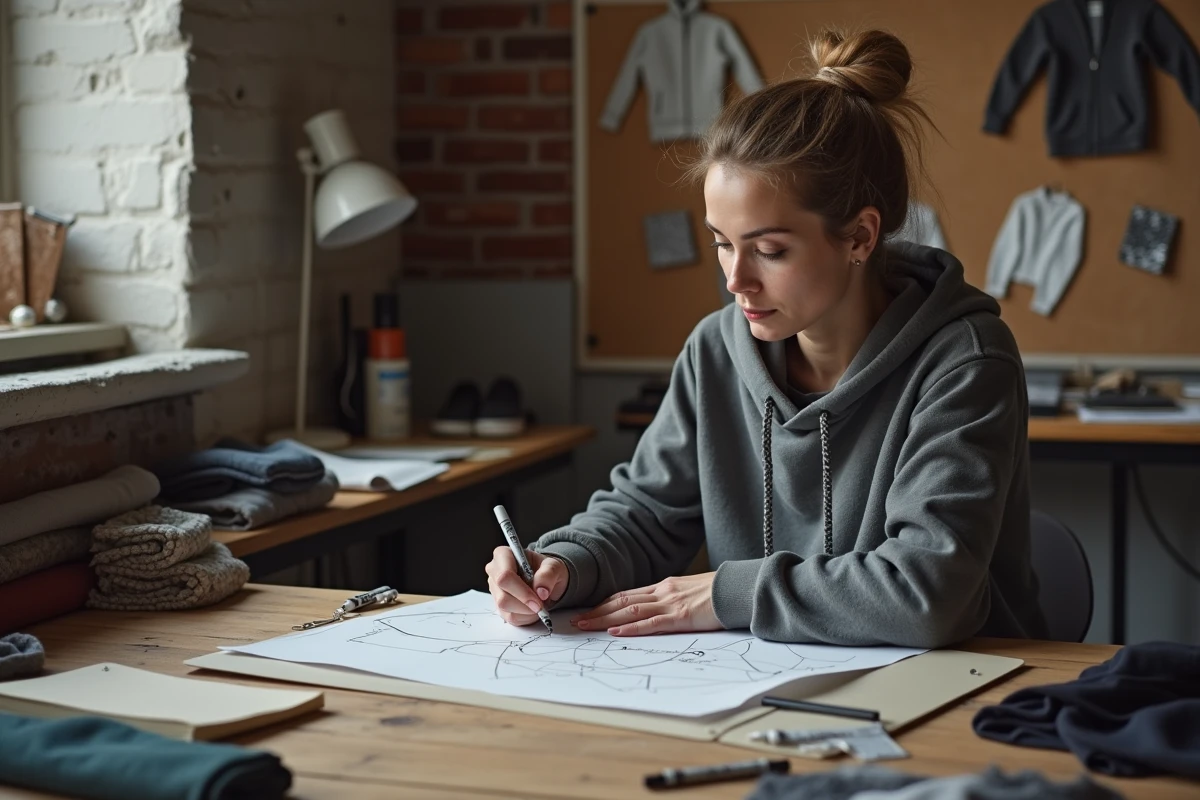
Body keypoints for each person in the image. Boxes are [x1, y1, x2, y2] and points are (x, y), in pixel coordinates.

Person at [485, 29, 1048, 647]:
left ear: (860, 237)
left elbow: (928, 591)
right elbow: (646, 515)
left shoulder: (964, 361)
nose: (735, 280)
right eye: (722, 244)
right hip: (765, 687)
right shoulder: (715, 351)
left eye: (770, 251)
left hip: (962, 692)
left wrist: (729, 591)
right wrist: (565, 563)